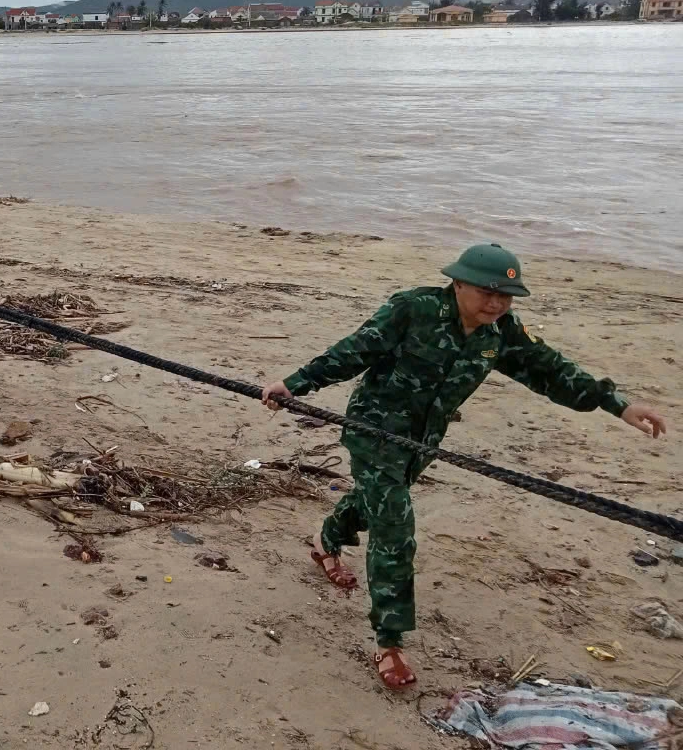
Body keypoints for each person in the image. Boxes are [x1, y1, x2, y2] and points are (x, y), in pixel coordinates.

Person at [261, 243, 668, 691]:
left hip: (424, 441)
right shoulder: (413, 309)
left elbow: (551, 370)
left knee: (376, 503)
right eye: (487, 291)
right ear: (458, 282)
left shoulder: (502, 333)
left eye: (506, 295)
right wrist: (295, 384)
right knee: (394, 526)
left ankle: (326, 541)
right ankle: (390, 641)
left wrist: (617, 405)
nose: (496, 303)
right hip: (375, 431)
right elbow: (354, 351)